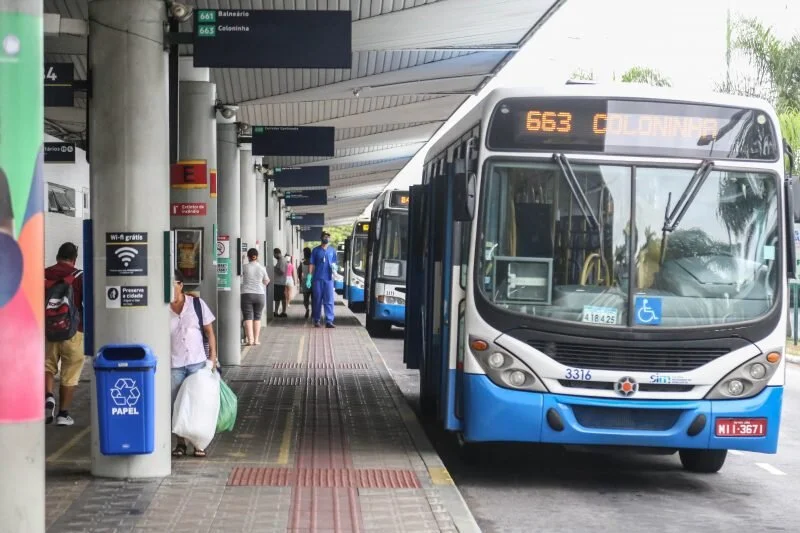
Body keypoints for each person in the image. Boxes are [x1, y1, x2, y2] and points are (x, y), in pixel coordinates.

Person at [170, 270, 217, 457]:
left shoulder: (196, 304)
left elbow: (209, 332)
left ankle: (198, 444)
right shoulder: (160, 308)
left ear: (180, 285)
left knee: (197, 403)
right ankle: (180, 443)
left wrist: (212, 358)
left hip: (197, 363)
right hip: (174, 364)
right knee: (176, 404)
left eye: (171, 284)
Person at [44, 242, 84, 426]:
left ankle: (48, 395)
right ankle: (63, 414)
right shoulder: (79, 276)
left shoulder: (44, 274)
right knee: (70, 372)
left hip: (48, 329)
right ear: (74, 259)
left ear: (57, 256)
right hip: (74, 331)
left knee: (47, 366)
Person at [241, 248, 269, 345]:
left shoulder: (244, 267)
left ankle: (250, 340)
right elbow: (266, 281)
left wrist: (241, 260)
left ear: (248, 257)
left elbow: (238, 276)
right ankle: (256, 340)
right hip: (260, 295)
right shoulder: (262, 268)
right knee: (257, 317)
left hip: (246, 294)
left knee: (248, 317)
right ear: (257, 257)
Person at [309, 231, 338, 328]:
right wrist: (309, 277)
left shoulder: (332, 250)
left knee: (329, 300)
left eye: (328, 237)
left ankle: (329, 321)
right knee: (317, 300)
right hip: (317, 279)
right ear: (321, 238)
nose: (327, 238)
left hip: (329, 279)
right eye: (325, 237)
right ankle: (316, 320)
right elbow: (312, 264)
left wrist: (335, 268)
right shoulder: (315, 250)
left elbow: (334, 263)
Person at [272, 248, 287, 318]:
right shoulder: (281, 260)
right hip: (280, 282)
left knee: (279, 298)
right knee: (280, 298)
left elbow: (282, 272)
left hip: (279, 282)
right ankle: (278, 312)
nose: (274, 256)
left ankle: (280, 312)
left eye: (274, 254)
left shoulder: (282, 261)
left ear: (277, 253)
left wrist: (274, 268)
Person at [298, 247, 313, 319]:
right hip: (313, 281)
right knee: (314, 298)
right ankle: (314, 311)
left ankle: (307, 309)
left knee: (305, 298)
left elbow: (299, 273)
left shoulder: (302, 263)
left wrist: (300, 282)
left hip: (305, 281)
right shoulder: (314, 263)